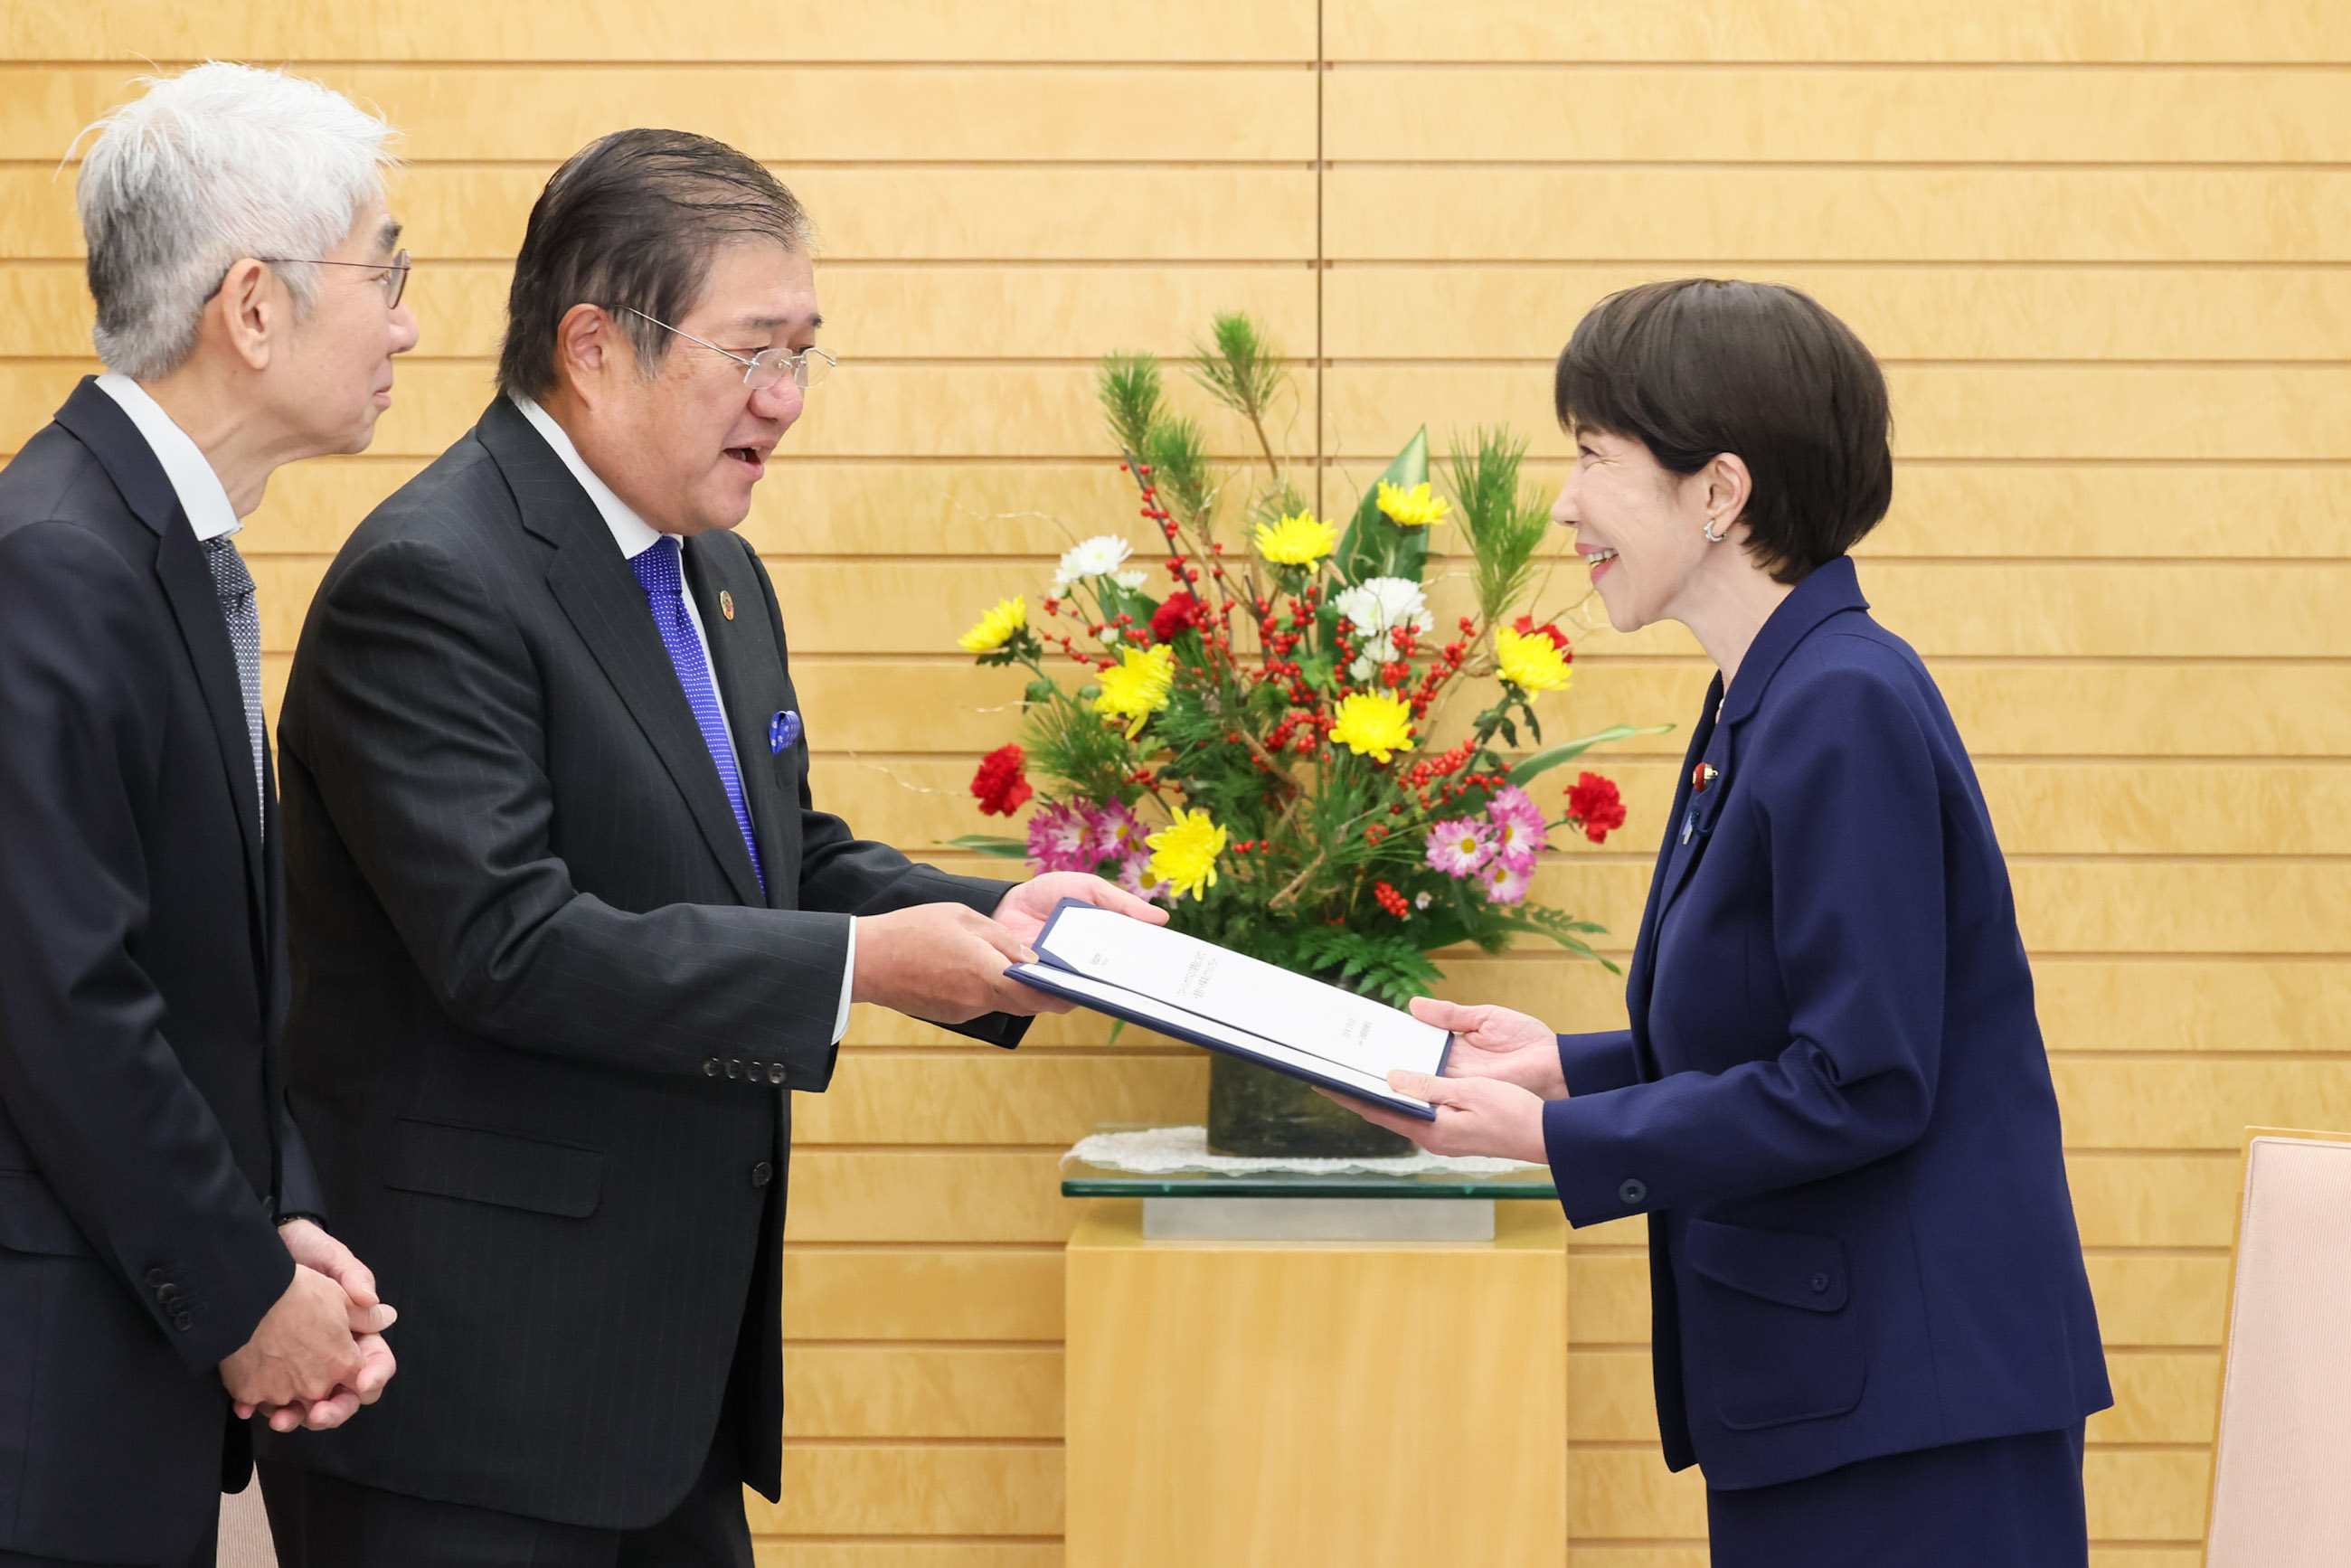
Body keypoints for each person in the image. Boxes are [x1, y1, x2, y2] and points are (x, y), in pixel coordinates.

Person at [252, 128, 1163, 1564]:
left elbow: (775, 855)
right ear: (596, 346)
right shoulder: (432, 578)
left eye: (806, 351)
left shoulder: (713, 567)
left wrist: (999, 918)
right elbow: (510, 944)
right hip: (479, 1404)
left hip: (664, 1391)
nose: (787, 400)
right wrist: (865, 966)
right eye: (755, 352)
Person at [1333, 280, 2111, 1566]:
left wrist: (1556, 1137)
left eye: (1593, 455)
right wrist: (1564, 1065)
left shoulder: (1840, 702)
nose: (1566, 502)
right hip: (1839, 1400)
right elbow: (1776, 1022)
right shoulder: (1774, 691)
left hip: (1911, 1427)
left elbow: (1860, 1080)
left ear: (1719, 492)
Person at [0, 63, 412, 1567]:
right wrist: (242, 1295)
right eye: (387, 271)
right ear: (254, 307)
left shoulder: (154, 546)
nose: (408, 322)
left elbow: (200, 983)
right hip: (55, 1400)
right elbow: (64, 1002)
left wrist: (269, 1229)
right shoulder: (60, 561)